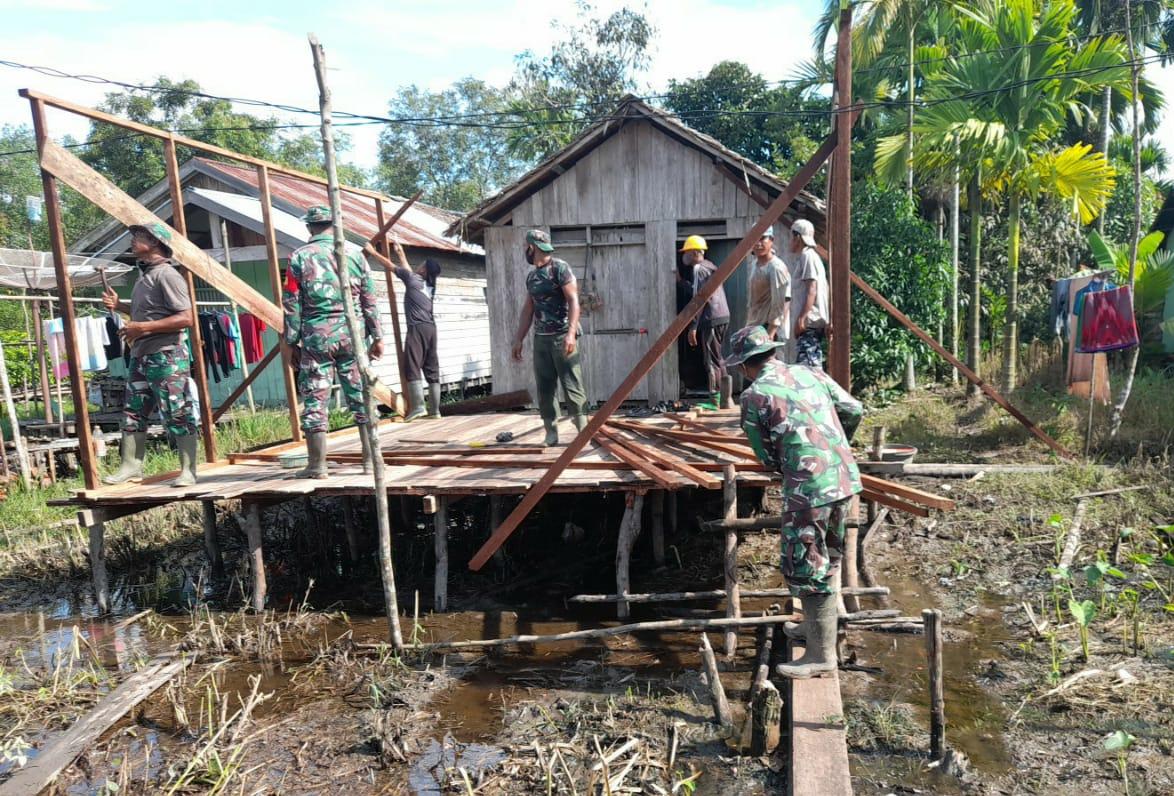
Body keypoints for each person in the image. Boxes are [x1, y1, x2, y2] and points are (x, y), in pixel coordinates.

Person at [725, 324, 863, 679]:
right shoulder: (809, 372)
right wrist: (833, 445)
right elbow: (853, 409)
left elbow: (764, 454)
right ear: (772, 352)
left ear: (743, 365)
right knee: (829, 556)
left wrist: (789, 464)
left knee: (805, 561)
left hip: (809, 487)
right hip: (844, 476)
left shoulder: (755, 397)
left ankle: (820, 656)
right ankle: (813, 632)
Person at [283, 205, 384, 479]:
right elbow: (369, 300)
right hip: (353, 334)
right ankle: (371, 461)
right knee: (361, 395)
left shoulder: (298, 258)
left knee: (316, 399)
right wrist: (378, 336)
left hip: (317, 337)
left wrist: (291, 342)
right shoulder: (355, 255)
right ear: (334, 225)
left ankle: (317, 466)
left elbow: (291, 304)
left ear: (308, 227)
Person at [102, 222, 201, 488]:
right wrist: (121, 306)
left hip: (166, 355)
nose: (133, 241)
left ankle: (189, 471)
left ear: (156, 242)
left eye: (140, 237)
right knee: (133, 412)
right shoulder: (144, 277)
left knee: (177, 411)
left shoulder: (167, 275)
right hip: (141, 354)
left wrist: (142, 327)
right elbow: (147, 313)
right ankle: (131, 466)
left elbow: (186, 317)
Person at [511, 229, 588, 446]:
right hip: (541, 338)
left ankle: (583, 429)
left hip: (562, 336)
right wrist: (519, 339)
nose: (525, 250)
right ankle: (551, 432)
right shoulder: (532, 276)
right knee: (545, 387)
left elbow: (574, 301)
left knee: (571, 384)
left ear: (532, 247)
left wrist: (571, 333)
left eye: (526, 246)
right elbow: (528, 309)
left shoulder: (560, 268)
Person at [391, 238, 443, 421]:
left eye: (421, 264)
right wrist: (400, 252)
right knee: (431, 366)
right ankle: (435, 411)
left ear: (424, 270)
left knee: (412, 364)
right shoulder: (428, 285)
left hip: (417, 327)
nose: (418, 265)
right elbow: (409, 272)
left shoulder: (413, 279)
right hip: (431, 328)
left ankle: (419, 407)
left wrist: (373, 253)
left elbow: (393, 268)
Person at [681, 235, 730, 404]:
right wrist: (681, 282)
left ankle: (715, 399)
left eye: (686, 252)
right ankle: (726, 398)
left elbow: (700, 298)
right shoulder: (710, 266)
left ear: (695, 252)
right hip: (721, 316)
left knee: (710, 359)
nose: (684, 256)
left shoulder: (699, 269)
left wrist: (693, 326)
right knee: (718, 357)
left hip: (711, 317)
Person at [786, 219, 830, 368]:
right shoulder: (811, 257)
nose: (789, 240)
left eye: (791, 236)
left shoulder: (807, 256)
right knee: (811, 366)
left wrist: (801, 319)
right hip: (812, 323)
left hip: (809, 323)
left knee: (808, 369)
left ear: (797, 237)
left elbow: (812, 289)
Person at [744, 226, 791, 357]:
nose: (758, 244)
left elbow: (779, 303)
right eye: (754, 239)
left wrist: (771, 333)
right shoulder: (754, 265)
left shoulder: (776, 267)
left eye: (762, 239)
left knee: (772, 372)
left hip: (770, 329)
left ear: (771, 240)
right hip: (756, 326)